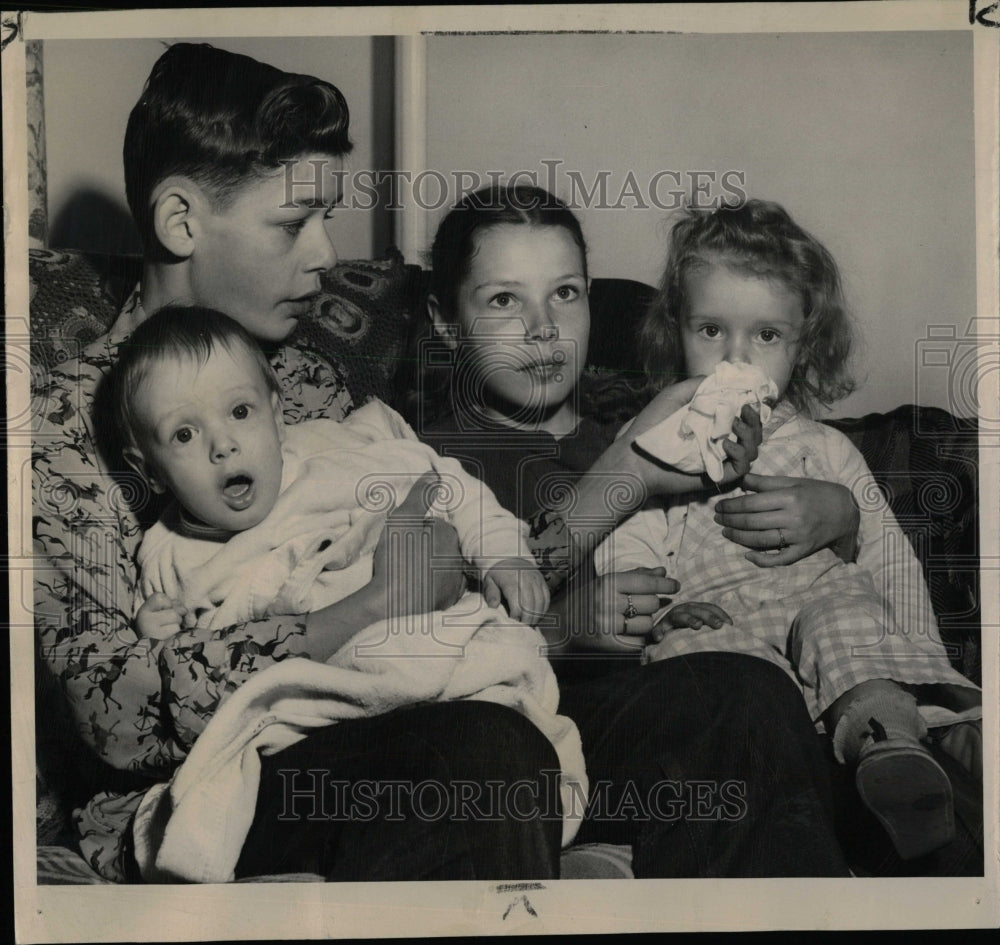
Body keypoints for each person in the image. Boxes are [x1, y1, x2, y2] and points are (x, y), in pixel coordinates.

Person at [33, 43, 564, 883]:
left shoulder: (315, 380)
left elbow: (449, 521)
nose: (325, 254)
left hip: (423, 683)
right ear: (181, 223)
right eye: (292, 223)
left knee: (723, 700)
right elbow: (118, 715)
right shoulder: (58, 434)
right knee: (479, 757)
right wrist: (366, 604)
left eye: (326, 218)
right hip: (221, 777)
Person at [417, 184, 864, 876]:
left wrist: (841, 515)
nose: (543, 327)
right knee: (735, 696)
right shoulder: (427, 463)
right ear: (445, 323)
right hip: (549, 735)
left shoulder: (650, 420)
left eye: (565, 293)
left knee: (759, 695)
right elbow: (420, 658)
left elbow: (784, 580)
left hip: (711, 704)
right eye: (504, 300)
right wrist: (566, 625)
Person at [593, 199, 982, 860]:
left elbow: (887, 555)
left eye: (766, 336)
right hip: (719, 626)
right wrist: (661, 609)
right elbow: (622, 536)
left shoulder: (823, 448)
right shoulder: (655, 441)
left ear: (803, 343)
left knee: (848, 610)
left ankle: (889, 746)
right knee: (700, 660)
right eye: (711, 330)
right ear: (675, 330)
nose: (734, 357)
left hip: (814, 605)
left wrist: (920, 655)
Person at [117, 306, 547, 638]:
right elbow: (173, 664)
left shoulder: (327, 458)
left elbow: (441, 480)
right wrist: (150, 630)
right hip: (320, 677)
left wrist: (501, 553)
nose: (222, 445)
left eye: (240, 411)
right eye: (185, 434)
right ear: (150, 471)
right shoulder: (166, 557)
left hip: (430, 620)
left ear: (277, 416)